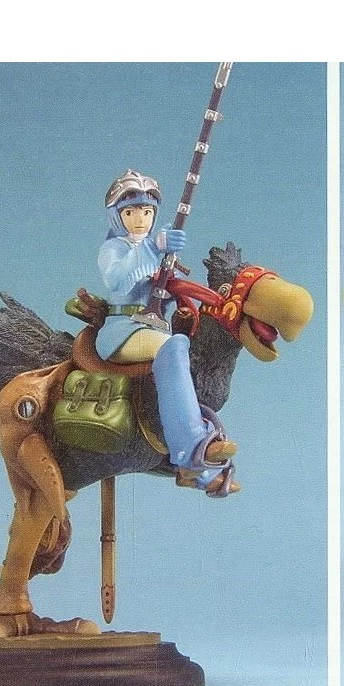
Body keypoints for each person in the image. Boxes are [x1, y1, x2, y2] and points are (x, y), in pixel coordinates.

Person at [99, 169, 237, 493]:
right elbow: (117, 280)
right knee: (174, 348)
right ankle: (191, 452)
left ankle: (204, 468)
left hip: (151, 327)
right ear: (117, 216)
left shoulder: (155, 249)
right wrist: (152, 248)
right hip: (123, 330)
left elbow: (168, 288)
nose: (140, 219)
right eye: (131, 212)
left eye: (147, 212)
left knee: (188, 355)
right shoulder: (113, 249)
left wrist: (172, 277)